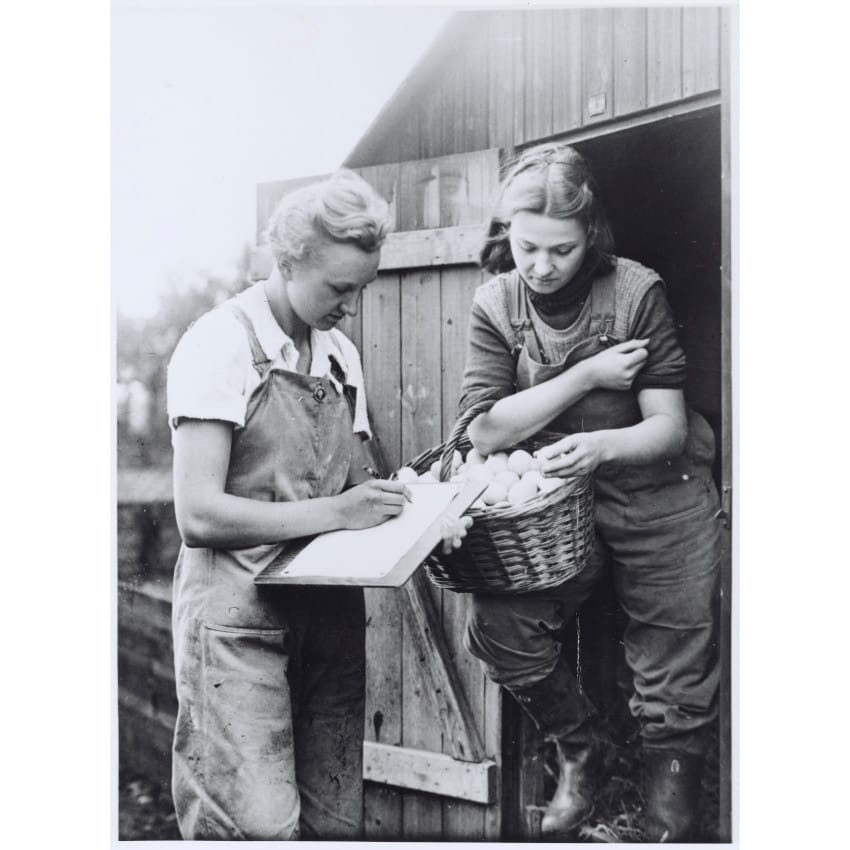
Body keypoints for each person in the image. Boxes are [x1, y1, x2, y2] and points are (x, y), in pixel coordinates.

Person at [166, 170, 470, 840]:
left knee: (336, 824)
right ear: (286, 261)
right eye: (338, 288)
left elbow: (356, 490)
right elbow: (199, 515)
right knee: (257, 829)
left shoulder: (337, 357)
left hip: (326, 623)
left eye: (362, 287)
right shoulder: (220, 346)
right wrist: (341, 512)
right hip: (238, 628)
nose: (352, 306)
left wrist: (422, 513)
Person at [457, 143, 721, 842]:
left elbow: (666, 427)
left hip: (655, 486)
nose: (541, 267)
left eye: (562, 251)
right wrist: (585, 377)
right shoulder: (495, 304)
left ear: (592, 235)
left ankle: (669, 803)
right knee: (502, 626)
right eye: (526, 247)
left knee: (674, 644)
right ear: (507, 234)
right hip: (552, 501)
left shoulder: (637, 292)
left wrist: (603, 443)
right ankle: (579, 747)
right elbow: (484, 429)